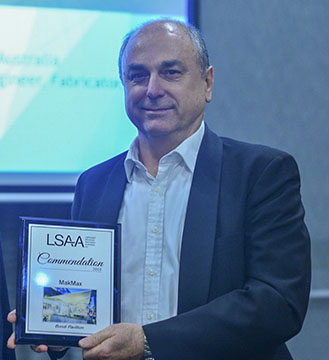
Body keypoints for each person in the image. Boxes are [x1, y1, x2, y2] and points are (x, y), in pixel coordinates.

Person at [8, 19, 311, 360]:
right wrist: (58, 323)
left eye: (171, 73)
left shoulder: (261, 173)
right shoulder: (93, 184)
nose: (151, 89)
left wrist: (149, 341)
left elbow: (277, 303)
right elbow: (88, 305)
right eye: (137, 75)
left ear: (207, 83)